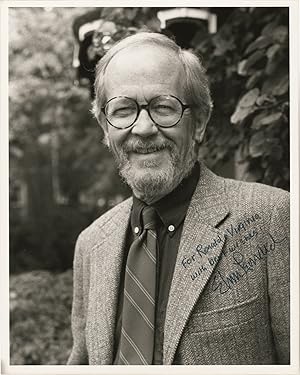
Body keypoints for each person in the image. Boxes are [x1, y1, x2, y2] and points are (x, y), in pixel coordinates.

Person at [67, 32, 289, 365]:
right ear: (104, 127)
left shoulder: (274, 217)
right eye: (124, 109)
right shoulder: (91, 244)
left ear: (198, 122)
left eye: (163, 107)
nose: (143, 128)